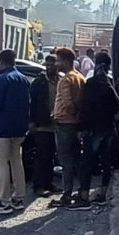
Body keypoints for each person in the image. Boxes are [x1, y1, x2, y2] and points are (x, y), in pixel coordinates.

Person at [68, 51, 119, 210]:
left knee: (87, 162)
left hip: (93, 129)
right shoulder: (112, 83)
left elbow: (85, 107)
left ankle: (83, 196)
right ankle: (102, 194)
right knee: (106, 162)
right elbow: (117, 108)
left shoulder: (90, 84)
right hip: (108, 128)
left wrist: (81, 128)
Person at [0, 49, 31, 215]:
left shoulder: (2, 79)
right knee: (17, 161)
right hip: (20, 128)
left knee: (1, 163)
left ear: (0, 62)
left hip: (3, 128)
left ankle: (4, 201)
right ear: (14, 60)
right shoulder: (23, 79)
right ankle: (19, 197)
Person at [52, 47, 85, 206]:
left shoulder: (66, 80)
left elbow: (68, 103)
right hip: (74, 124)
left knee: (66, 161)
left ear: (65, 61)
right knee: (76, 159)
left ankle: (67, 194)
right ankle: (81, 191)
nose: (56, 64)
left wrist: (69, 114)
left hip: (65, 124)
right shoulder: (79, 77)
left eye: (58, 60)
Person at [29, 54, 59, 196]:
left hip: (56, 125)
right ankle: (38, 186)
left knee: (51, 156)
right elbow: (31, 103)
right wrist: (31, 121)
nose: (49, 67)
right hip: (42, 125)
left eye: (52, 65)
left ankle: (49, 183)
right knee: (42, 156)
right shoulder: (39, 83)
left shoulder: (60, 81)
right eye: (47, 65)